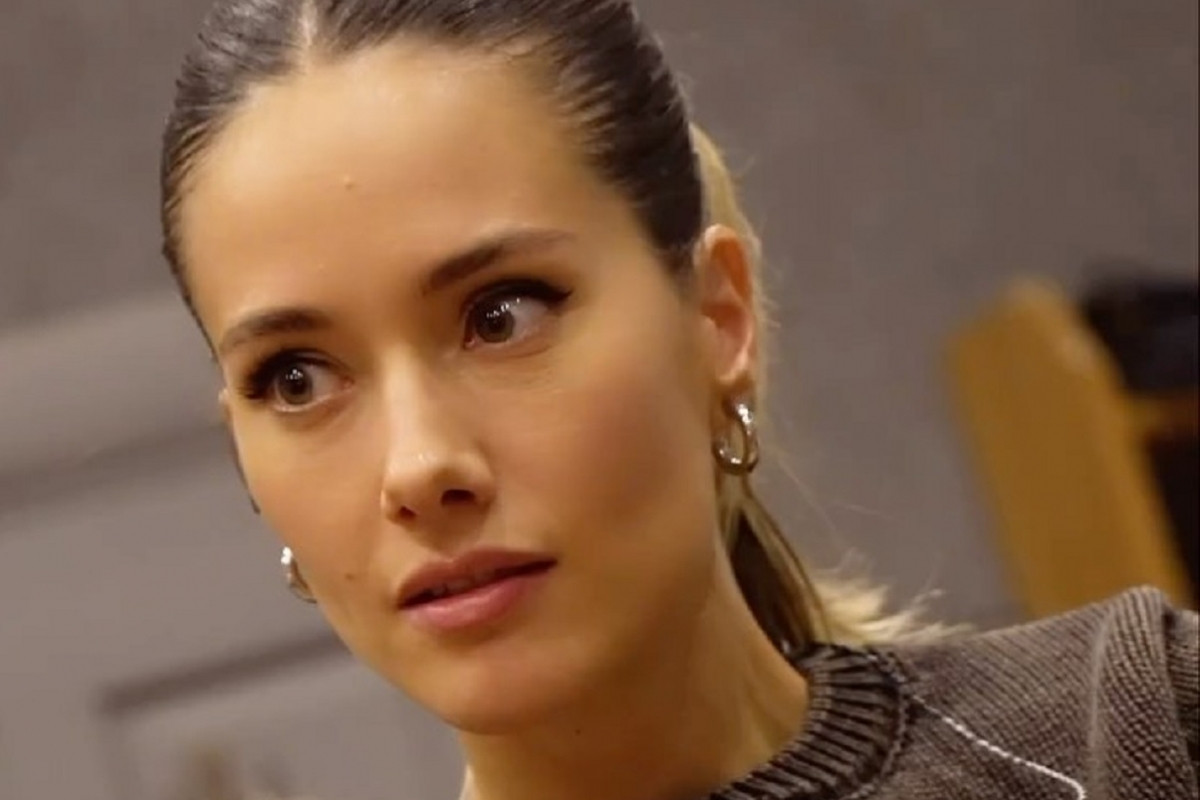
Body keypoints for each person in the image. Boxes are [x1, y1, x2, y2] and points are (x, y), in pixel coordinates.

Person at [158, 2, 1198, 798]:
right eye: (296, 377)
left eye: (503, 315)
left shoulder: (1131, 733)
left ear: (717, 316)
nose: (421, 465)